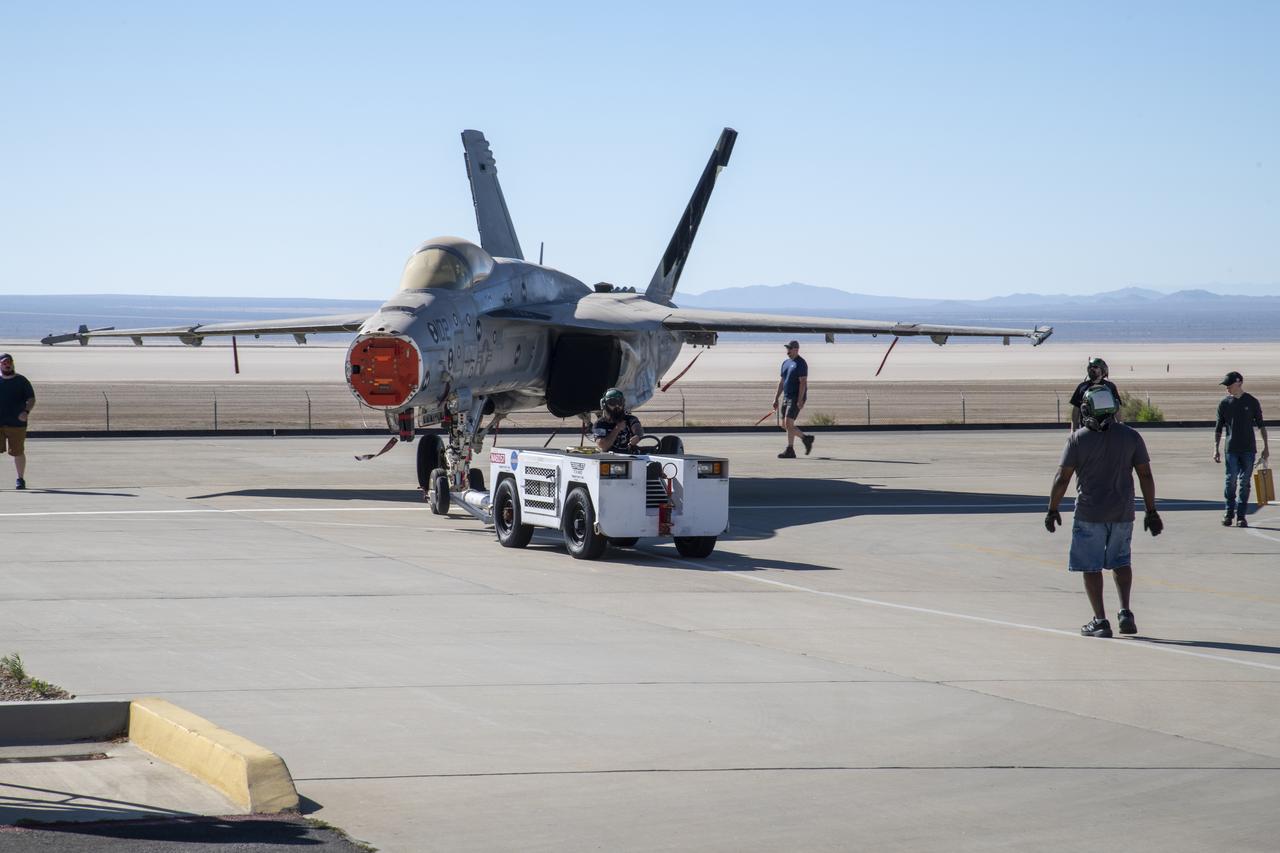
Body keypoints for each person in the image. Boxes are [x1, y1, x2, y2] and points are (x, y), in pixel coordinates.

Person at [1046, 384, 1162, 638]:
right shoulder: (1131, 436)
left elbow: (1062, 478)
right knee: (1122, 562)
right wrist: (1151, 511)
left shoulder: (1078, 439)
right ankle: (1125, 612)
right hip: (1123, 512)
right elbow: (1145, 474)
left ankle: (1100, 620)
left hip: (1090, 513)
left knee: (1091, 566)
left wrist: (1052, 509)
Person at [1213, 371, 1269, 528]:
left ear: (1239, 383)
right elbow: (1218, 428)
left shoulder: (1252, 402)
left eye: (1229, 385)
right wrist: (1215, 448)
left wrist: (1266, 447)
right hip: (1231, 449)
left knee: (1245, 482)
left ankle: (1241, 516)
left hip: (1248, 449)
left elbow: (1261, 425)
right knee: (1230, 480)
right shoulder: (1224, 404)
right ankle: (1229, 512)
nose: (1227, 389)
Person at [0, 353, 36, 490]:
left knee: (18, 452)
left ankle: (20, 479)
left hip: (17, 424)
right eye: (4, 363)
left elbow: (31, 399)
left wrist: (26, 412)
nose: (7, 365)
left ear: (13, 363)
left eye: (9, 362)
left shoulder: (21, 381)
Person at [773, 340, 814, 459]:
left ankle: (790, 449)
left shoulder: (801, 363)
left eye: (789, 349)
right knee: (784, 425)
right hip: (786, 396)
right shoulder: (785, 363)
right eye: (787, 349)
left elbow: (803, 382)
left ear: (796, 349)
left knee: (788, 423)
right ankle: (806, 438)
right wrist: (776, 398)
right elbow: (781, 382)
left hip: (796, 397)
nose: (787, 351)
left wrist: (800, 400)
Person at [1069, 357, 1121, 430]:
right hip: (1087, 429)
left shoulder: (1110, 387)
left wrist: (1120, 424)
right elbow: (1076, 409)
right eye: (1090, 367)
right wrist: (1073, 429)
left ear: (1103, 370)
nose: (1091, 369)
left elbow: (1117, 408)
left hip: (1108, 429)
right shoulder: (1082, 387)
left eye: (1095, 367)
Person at [592, 387, 643, 453]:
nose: (617, 406)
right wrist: (617, 429)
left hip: (630, 456)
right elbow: (603, 446)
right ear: (604, 404)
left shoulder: (629, 419)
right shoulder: (600, 424)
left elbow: (637, 427)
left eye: (620, 402)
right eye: (612, 402)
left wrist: (637, 436)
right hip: (610, 459)